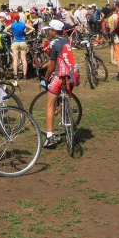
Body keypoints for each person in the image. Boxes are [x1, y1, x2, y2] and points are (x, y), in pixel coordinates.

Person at [39, 20, 73, 148]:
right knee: (65, 97)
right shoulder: (66, 42)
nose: (48, 32)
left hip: (60, 76)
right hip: (71, 76)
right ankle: (67, 114)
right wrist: (44, 66)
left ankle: (49, 137)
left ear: (54, 31)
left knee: (50, 104)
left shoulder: (53, 43)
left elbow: (53, 65)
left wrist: (46, 78)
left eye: (49, 30)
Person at [8, 12, 33, 83]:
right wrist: (26, 33)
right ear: (19, 17)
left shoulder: (12, 24)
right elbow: (32, 29)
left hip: (15, 42)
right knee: (24, 59)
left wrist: (11, 34)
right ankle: (24, 75)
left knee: (15, 59)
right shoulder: (23, 24)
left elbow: (5, 30)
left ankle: (15, 75)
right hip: (23, 41)